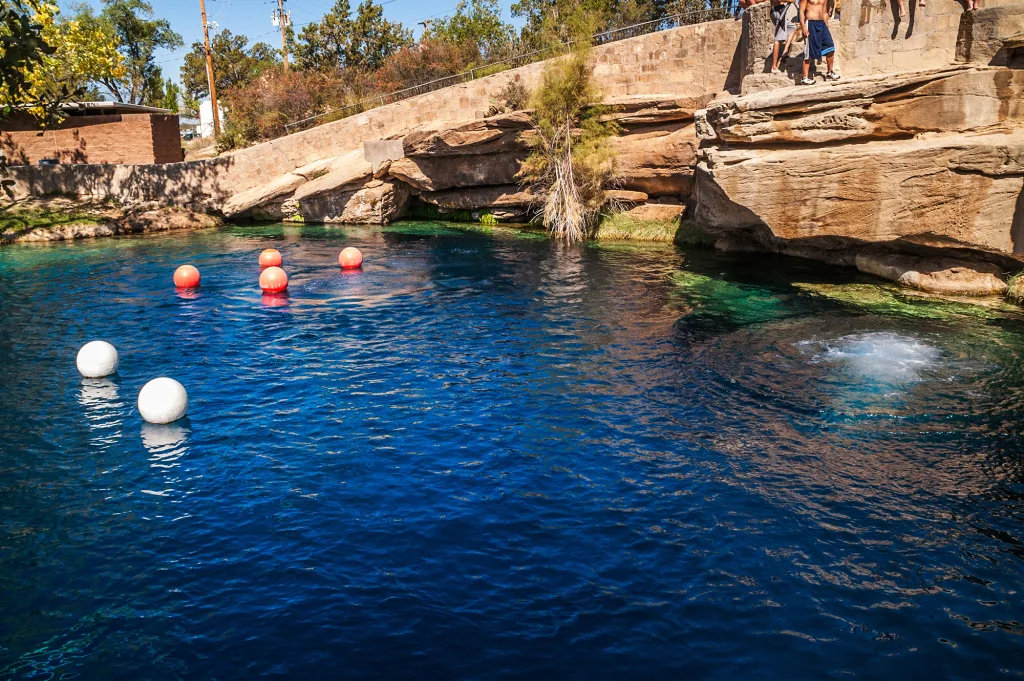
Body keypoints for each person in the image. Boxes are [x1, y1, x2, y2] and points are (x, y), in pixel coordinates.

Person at [800, 0, 839, 84]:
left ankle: (830, 72)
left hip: (822, 24)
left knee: (830, 46)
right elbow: (801, 11)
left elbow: (824, 12)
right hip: (810, 23)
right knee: (808, 50)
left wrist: (826, 25)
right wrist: (803, 27)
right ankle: (805, 77)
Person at [770, 0, 800, 72]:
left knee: (793, 28)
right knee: (777, 38)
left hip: (779, 10)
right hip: (778, 11)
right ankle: (774, 67)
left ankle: (785, 51)